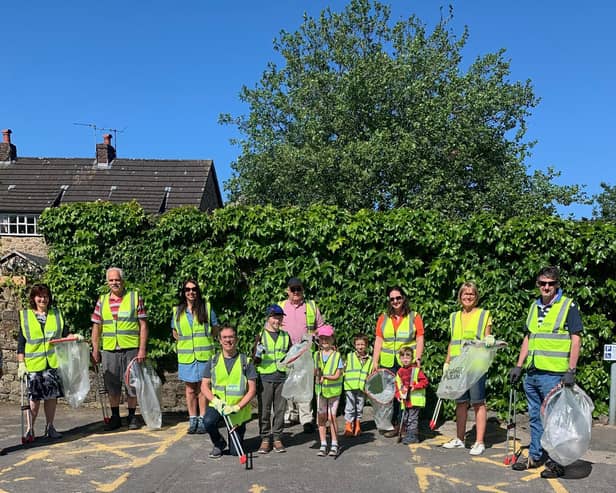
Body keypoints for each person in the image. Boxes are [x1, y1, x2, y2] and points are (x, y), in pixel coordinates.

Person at [509, 266, 582, 479]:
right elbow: (529, 338)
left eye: (550, 283)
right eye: (542, 283)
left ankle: (557, 462)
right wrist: (519, 365)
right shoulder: (534, 307)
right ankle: (535, 455)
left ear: (557, 284)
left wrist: (571, 370)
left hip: (554, 374)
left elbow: (576, 339)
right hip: (532, 373)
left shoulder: (568, 305)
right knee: (535, 417)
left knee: (555, 421)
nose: (546, 287)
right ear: (538, 285)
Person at [91, 267, 149, 431]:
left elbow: (143, 325)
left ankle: (132, 416)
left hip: (130, 347)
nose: (114, 283)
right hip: (109, 349)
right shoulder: (102, 301)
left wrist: (142, 349)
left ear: (122, 281)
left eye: (117, 280)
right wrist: (95, 350)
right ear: (107, 282)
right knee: (112, 385)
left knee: (132, 384)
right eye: (111, 280)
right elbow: (96, 327)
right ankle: (115, 416)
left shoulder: (134, 297)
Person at [442, 282, 494, 456]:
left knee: (478, 402)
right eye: (465, 294)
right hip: (458, 364)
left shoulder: (484, 314)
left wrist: (490, 339)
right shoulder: (454, 316)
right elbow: (453, 340)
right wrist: (447, 362)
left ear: (476, 296)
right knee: (460, 402)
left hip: (476, 363)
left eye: (471, 294)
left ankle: (479, 442)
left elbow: (487, 335)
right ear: (460, 296)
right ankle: (459, 438)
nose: (468, 297)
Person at [17, 284, 74, 439]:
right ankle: (30, 429)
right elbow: (21, 343)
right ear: (34, 298)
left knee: (51, 397)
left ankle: (50, 427)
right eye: (39, 296)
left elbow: (65, 334)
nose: (43, 299)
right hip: (33, 365)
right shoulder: (26, 316)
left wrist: (74, 337)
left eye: (46, 296)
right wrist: (21, 363)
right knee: (34, 399)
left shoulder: (56, 314)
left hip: (52, 363)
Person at [373, 285, 425, 437]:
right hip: (388, 363)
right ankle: (394, 424)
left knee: (406, 393)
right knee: (391, 395)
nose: (395, 301)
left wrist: (418, 357)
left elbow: (420, 337)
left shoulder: (414, 317)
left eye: (398, 298)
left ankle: (406, 425)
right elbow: (379, 339)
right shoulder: (383, 318)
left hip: (406, 363)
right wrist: (375, 360)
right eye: (392, 299)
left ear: (403, 298)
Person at [201, 326, 257, 459]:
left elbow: (252, 389)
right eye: (224, 337)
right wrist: (215, 401)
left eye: (231, 337)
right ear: (220, 340)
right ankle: (218, 443)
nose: (228, 340)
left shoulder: (246, 362)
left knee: (234, 452)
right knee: (208, 421)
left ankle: (237, 437)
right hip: (218, 404)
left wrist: (237, 407)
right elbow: (204, 386)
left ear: (236, 339)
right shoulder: (213, 360)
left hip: (237, 409)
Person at [278, 276, 325, 433]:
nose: (296, 292)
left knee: (305, 386)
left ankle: (306, 419)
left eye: (299, 289)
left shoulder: (311, 307)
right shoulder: (280, 306)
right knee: (289, 383)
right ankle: (291, 415)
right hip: (287, 352)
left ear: (303, 290)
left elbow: (322, 327)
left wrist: (317, 337)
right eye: (293, 289)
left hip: (306, 352)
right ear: (287, 291)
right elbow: (271, 326)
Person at [171, 279, 218, 434]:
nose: (191, 292)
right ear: (183, 292)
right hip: (186, 357)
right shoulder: (177, 310)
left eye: (194, 289)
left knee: (203, 389)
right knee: (190, 389)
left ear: (198, 291)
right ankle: (192, 419)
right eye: (187, 289)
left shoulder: (207, 307)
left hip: (204, 355)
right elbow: (175, 332)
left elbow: (215, 329)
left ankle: (203, 419)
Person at [255, 304, 291, 454]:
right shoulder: (260, 336)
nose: (277, 320)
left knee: (280, 410)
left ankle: (277, 438)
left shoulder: (285, 336)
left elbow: (291, 356)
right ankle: (265, 438)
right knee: (264, 410)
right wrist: (257, 353)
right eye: (275, 317)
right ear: (268, 318)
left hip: (281, 377)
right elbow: (255, 360)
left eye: (280, 317)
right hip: (265, 377)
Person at [314, 324, 343, 457]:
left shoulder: (337, 356)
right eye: (322, 338)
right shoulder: (316, 355)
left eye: (327, 338)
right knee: (321, 418)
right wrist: (316, 374)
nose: (324, 341)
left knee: (331, 417)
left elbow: (338, 374)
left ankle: (335, 443)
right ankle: (323, 443)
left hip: (333, 392)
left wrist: (325, 376)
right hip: (320, 391)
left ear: (332, 339)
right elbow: (314, 371)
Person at [395, 345, 429, 444]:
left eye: (408, 357)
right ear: (400, 358)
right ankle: (408, 433)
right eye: (403, 357)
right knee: (405, 417)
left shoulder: (416, 370)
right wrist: (398, 395)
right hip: (405, 399)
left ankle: (413, 436)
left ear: (412, 358)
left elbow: (425, 382)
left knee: (412, 418)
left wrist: (416, 386)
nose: (405, 359)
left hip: (414, 399)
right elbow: (397, 385)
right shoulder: (400, 372)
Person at [343, 333, 373, 436]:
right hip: (350, 386)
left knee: (359, 407)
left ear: (366, 345)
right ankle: (348, 426)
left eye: (362, 344)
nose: (360, 347)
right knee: (350, 406)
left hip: (362, 387)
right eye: (358, 344)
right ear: (355, 345)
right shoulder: (349, 356)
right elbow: (344, 369)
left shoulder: (370, 359)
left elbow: (370, 374)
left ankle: (357, 425)